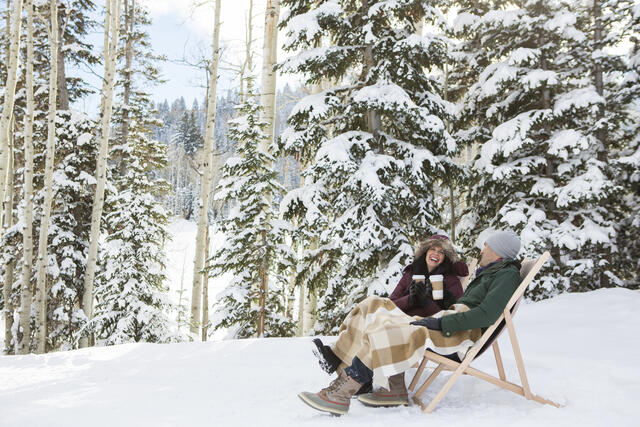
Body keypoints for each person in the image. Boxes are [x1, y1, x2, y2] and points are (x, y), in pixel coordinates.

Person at [298, 230, 522, 416]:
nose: (482, 250)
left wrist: (441, 321)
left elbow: (485, 314)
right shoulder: (493, 273)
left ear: (497, 250)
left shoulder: (507, 274)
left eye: (486, 246)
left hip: (461, 332)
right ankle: (386, 387)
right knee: (383, 318)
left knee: (392, 329)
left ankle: (343, 392)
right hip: (453, 322)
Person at [311, 235, 467, 393]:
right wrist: (411, 299)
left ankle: (338, 356)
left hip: (421, 326)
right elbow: (391, 302)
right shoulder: (411, 274)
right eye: (432, 248)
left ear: (446, 257)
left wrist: (426, 302)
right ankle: (343, 362)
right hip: (396, 317)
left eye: (441, 251)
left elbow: (452, 317)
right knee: (369, 306)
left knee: (373, 314)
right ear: (425, 251)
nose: (436, 253)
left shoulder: (451, 281)